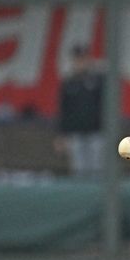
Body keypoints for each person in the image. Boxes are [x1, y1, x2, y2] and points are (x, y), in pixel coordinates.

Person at [55, 45, 105, 178]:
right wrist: (61, 134)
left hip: (97, 132)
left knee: (97, 170)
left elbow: (106, 107)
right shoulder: (69, 82)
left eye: (83, 59)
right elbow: (63, 110)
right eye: (78, 60)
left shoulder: (98, 80)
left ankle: (99, 198)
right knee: (78, 170)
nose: (80, 63)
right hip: (75, 133)